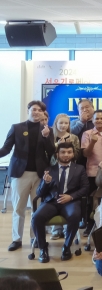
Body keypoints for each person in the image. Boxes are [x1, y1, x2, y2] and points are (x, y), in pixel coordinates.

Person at [1, 101, 54, 251]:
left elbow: (51, 152)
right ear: (28, 110)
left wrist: (46, 137)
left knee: (37, 209)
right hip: (20, 173)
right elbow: (6, 148)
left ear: (43, 113)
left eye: (40, 110)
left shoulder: (47, 129)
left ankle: (36, 237)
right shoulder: (16, 128)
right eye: (34, 109)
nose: (36, 112)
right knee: (18, 208)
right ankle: (16, 239)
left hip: (39, 174)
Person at [31, 142, 89, 262]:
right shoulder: (49, 169)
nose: (66, 155)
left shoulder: (79, 169)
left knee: (74, 216)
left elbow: (85, 188)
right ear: (57, 154)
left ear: (73, 154)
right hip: (51, 202)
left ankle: (67, 247)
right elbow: (39, 193)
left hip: (70, 202)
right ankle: (43, 248)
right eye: (63, 152)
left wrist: (71, 197)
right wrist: (45, 183)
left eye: (69, 152)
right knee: (36, 218)